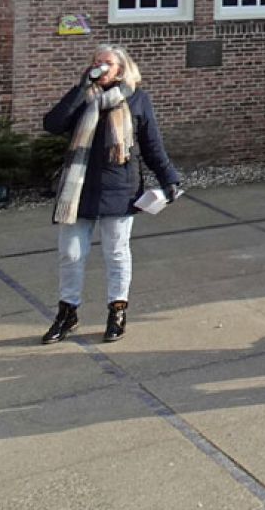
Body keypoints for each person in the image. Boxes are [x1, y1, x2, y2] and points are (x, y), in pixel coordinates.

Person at [40, 45, 180, 345]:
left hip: (119, 187)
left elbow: (152, 145)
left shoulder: (137, 100)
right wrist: (79, 90)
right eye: (96, 61)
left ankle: (117, 311)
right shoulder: (82, 97)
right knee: (71, 254)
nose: (100, 66)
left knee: (116, 252)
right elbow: (52, 125)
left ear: (121, 69)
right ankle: (68, 313)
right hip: (78, 188)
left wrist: (169, 178)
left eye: (107, 62)